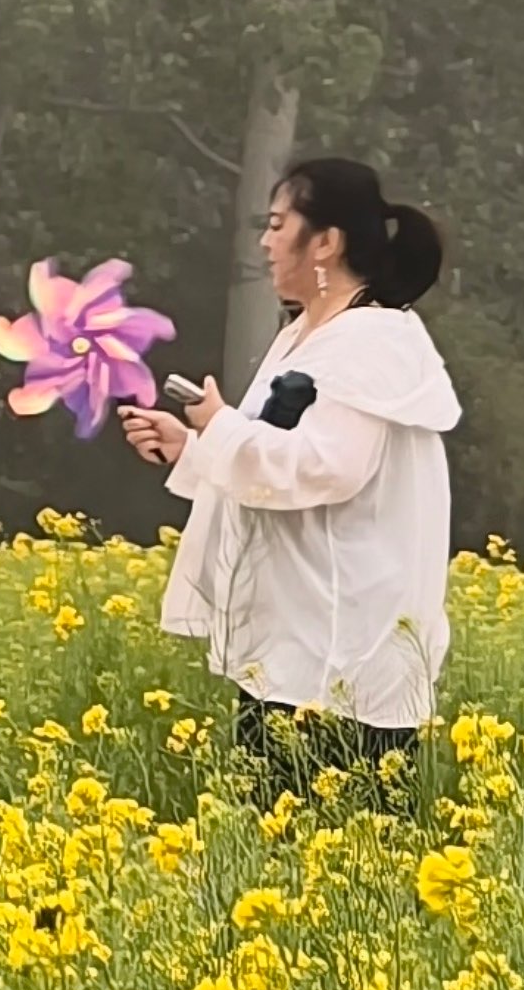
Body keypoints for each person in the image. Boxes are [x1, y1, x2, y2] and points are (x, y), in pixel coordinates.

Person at [125, 156, 458, 771]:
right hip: (291, 645)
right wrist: (190, 446)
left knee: (344, 849)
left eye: (279, 225)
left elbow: (326, 470)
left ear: (326, 242)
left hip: (340, 657)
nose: (265, 241)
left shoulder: (372, 341)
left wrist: (219, 426)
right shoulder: (307, 332)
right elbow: (272, 457)